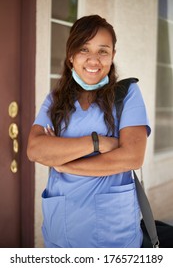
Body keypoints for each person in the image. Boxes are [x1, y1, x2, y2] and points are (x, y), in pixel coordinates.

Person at [27, 14, 150, 248]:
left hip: (113, 236)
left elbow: (132, 157)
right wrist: (98, 143)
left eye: (103, 51)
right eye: (84, 49)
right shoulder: (56, 98)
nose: (94, 60)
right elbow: (35, 149)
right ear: (71, 56)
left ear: (113, 55)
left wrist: (64, 164)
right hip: (60, 232)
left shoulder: (127, 94)